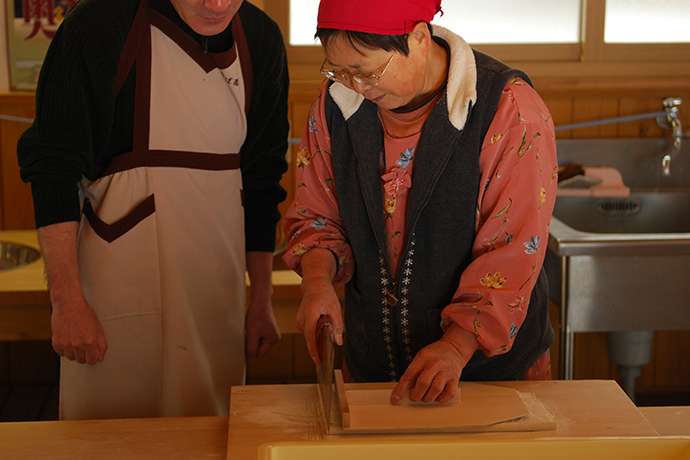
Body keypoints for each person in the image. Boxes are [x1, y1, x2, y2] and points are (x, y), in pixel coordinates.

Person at [17, 0, 288, 419]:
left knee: (207, 424)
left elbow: (262, 180)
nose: (216, 5)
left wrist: (262, 300)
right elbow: (53, 167)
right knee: (108, 434)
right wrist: (66, 302)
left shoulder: (261, 39)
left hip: (214, 293)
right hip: (114, 298)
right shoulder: (97, 26)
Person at [284, 0, 557, 405]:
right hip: (374, 371)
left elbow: (514, 251)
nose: (355, 86)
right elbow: (316, 214)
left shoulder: (508, 110)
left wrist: (457, 346)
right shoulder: (334, 103)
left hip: (487, 378)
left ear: (417, 37)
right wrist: (318, 283)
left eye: (366, 70)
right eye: (338, 70)